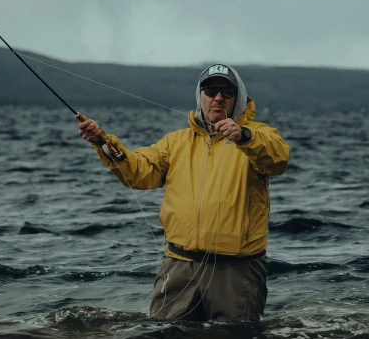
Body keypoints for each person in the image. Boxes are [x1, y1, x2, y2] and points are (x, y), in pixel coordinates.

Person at [78, 63, 290, 322]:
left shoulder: (259, 135)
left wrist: (244, 136)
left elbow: (278, 159)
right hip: (179, 265)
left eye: (226, 91)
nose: (218, 97)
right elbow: (138, 173)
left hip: (237, 269)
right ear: (200, 96)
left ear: (239, 98)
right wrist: (102, 141)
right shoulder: (175, 142)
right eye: (210, 90)